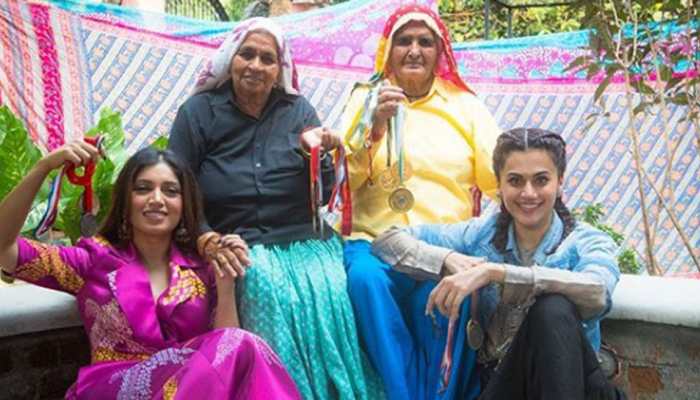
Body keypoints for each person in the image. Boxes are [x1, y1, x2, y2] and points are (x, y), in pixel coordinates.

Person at [168, 17, 383, 399]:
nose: (255, 65)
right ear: (230, 59)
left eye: (267, 58)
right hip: (237, 241)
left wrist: (316, 154)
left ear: (278, 69)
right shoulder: (198, 112)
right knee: (263, 281)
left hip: (304, 241)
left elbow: (325, 194)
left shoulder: (298, 111)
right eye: (246, 54)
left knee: (331, 286)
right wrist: (205, 238)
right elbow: (178, 185)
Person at [0, 144, 300, 399]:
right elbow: (4, 248)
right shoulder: (92, 261)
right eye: (144, 188)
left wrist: (224, 284)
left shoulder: (200, 269)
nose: (157, 199)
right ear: (126, 201)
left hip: (191, 389)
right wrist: (43, 168)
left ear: (184, 205)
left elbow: (224, 348)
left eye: (170, 191)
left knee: (242, 344)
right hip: (113, 389)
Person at [372, 128, 625, 400]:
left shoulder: (585, 240)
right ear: (499, 185)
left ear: (560, 182)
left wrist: (497, 273)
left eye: (541, 180)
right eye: (515, 181)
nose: (529, 193)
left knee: (553, 309)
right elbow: (388, 240)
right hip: (504, 384)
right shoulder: (482, 235)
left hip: (573, 386)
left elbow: (598, 291)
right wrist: (447, 259)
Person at [339, 5, 501, 400]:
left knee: (453, 299)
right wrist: (373, 128)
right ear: (387, 50)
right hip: (374, 243)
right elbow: (344, 181)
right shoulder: (366, 98)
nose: (414, 50)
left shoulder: (465, 106)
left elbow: (499, 177)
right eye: (404, 41)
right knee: (365, 282)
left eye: (425, 42)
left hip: (443, 247)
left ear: (440, 52)